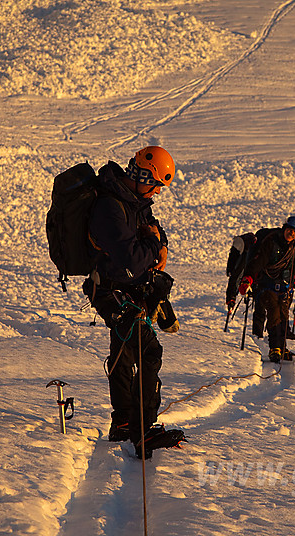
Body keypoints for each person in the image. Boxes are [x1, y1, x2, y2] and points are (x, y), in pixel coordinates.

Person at [82, 145, 184, 459]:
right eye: (154, 184)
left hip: (127, 291)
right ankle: (142, 430)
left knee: (125, 355)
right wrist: (154, 245)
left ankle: (124, 422)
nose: (155, 192)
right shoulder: (111, 208)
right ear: (141, 175)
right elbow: (131, 262)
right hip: (112, 292)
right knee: (149, 351)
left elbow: (155, 232)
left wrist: (159, 243)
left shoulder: (136, 204)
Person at [239, 216, 295, 362]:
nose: (291, 234)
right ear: (284, 228)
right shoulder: (271, 243)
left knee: (284, 316)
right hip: (266, 285)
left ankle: (282, 347)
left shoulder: (294, 249)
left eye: (294, 232)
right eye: (289, 230)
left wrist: (292, 283)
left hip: (284, 288)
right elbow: (258, 262)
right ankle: (275, 348)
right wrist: (248, 278)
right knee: (274, 311)